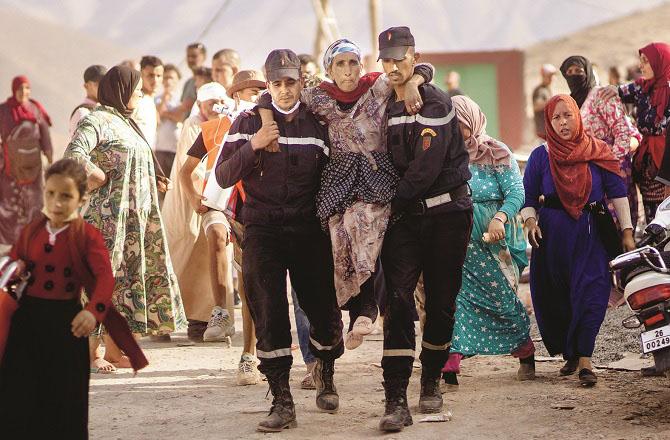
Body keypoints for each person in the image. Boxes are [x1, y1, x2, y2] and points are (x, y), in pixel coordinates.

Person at [258, 39, 432, 351]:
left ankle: (367, 308)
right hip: (337, 177)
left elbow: (420, 69)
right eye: (340, 64)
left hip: (375, 173)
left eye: (353, 63)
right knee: (337, 231)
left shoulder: (377, 88)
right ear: (329, 69)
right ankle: (357, 312)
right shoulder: (317, 97)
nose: (348, 71)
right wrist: (267, 120)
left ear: (361, 66)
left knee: (361, 221)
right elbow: (267, 96)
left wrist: (416, 82)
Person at [215, 49, 344, 432]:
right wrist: (254, 144)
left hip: (308, 229)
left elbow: (334, 176)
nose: (285, 90)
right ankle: (282, 399)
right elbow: (222, 176)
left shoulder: (319, 125)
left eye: (291, 82)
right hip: (263, 229)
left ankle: (326, 373)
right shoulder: (247, 122)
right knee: (268, 311)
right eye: (277, 83)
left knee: (321, 309)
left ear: (301, 81)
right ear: (268, 84)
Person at [0, 158, 147, 439]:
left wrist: (93, 312)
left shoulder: (86, 235)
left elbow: (104, 277)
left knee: (65, 398)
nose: (56, 202)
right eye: (50, 194)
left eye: (65, 196)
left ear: (81, 198)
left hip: (66, 324)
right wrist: (15, 267)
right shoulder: (32, 230)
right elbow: (15, 260)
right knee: (18, 394)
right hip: (27, 324)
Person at [377, 26, 473, 431]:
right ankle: (395, 398)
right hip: (405, 218)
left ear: (413, 55)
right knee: (396, 301)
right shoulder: (382, 102)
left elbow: (425, 168)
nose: (394, 66)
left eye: (401, 58)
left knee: (440, 302)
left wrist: (386, 205)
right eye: (387, 59)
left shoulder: (434, 101)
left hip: (447, 214)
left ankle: (431, 379)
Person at [65, 66, 185, 367]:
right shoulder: (97, 120)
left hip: (136, 219)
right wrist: (96, 175)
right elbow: (74, 154)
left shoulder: (125, 122)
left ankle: (115, 350)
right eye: (136, 89)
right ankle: (90, 353)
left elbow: (136, 158)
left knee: (123, 282)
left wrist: (151, 177)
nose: (141, 94)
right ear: (120, 90)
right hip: (108, 218)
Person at [522, 94, 635, 387]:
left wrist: (626, 232)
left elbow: (617, 192)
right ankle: (570, 352)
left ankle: (585, 358)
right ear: (549, 122)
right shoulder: (540, 156)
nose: (562, 123)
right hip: (552, 238)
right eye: (556, 118)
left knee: (592, 290)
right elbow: (529, 198)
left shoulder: (597, 151)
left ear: (577, 115)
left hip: (590, 232)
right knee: (559, 297)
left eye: (567, 115)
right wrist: (531, 220)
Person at [440, 95, 533, 383]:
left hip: (495, 241)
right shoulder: (445, 155)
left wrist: (499, 218)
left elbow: (517, 193)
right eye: (450, 123)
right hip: (458, 239)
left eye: (460, 123)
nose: (455, 129)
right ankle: (452, 358)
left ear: (473, 120)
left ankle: (524, 349)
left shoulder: (497, 152)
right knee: (459, 299)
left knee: (502, 300)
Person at [560, 56, 641, 231]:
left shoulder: (600, 94)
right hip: (586, 174)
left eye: (579, 71)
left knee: (617, 228)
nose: (574, 75)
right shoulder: (570, 102)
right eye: (569, 72)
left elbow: (622, 132)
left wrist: (610, 163)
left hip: (612, 168)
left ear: (587, 72)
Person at [603, 43, 670, 222]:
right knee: (651, 216)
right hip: (646, 162)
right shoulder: (642, 87)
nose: (641, 66)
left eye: (646, 61)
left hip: (666, 161)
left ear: (659, 62)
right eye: (641, 61)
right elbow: (615, 91)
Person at [0, 75, 53, 257]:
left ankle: (34, 247)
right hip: (10, 168)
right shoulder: (3, 110)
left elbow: (45, 135)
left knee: (34, 207)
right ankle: (10, 251)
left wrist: (49, 156)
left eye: (27, 88)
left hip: (34, 169)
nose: (24, 92)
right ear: (14, 90)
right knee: (10, 208)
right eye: (20, 89)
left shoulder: (36, 109)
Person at [155, 64, 183, 178]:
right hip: (159, 150)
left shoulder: (181, 100)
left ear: (177, 80)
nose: (168, 81)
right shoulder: (156, 99)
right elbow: (156, 119)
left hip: (176, 150)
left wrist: (164, 113)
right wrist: (165, 97)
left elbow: (180, 118)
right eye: (165, 77)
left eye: (171, 78)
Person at [69, 65, 107, 139]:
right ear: (86, 86)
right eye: (98, 84)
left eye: (105, 83)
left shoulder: (107, 110)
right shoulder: (83, 113)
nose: (103, 88)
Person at [134, 55, 163, 149]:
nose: (155, 80)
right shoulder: (135, 100)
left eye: (159, 76)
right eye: (151, 75)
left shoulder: (150, 100)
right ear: (141, 74)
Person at [532, 63, 557, 139]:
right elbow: (536, 106)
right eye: (549, 76)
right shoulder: (541, 90)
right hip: (543, 132)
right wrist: (553, 102)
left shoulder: (547, 89)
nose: (552, 78)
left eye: (553, 76)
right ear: (543, 76)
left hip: (549, 131)